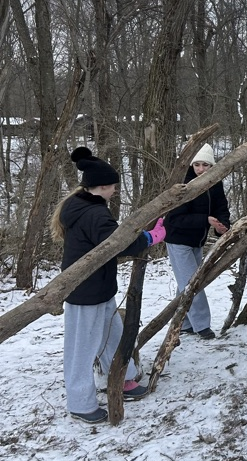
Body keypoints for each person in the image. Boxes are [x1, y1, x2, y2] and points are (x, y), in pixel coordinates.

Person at [50, 147, 166, 425]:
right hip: (84, 291)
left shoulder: (85, 205)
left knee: (112, 336)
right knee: (82, 348)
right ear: (102, 187)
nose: (115, 190)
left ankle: (123, 379)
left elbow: (112, 237)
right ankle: (80, 403)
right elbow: (117, 243)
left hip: (100, 287)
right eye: (113, 186)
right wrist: (149, 238)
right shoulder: (94, 214)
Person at [164, 143, 230, 340]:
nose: (201, 169)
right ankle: (202, 325)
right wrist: (205, 220)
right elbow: (174, 219)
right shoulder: (183, 185)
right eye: (197, 165)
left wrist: (222, 225)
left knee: (185, 283)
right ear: (191, 165)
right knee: (193, 283)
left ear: (212, 166)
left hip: (197, 241)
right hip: (178, 240)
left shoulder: (215, 183)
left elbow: (221, 207)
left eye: (205, 165)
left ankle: (184, 323)